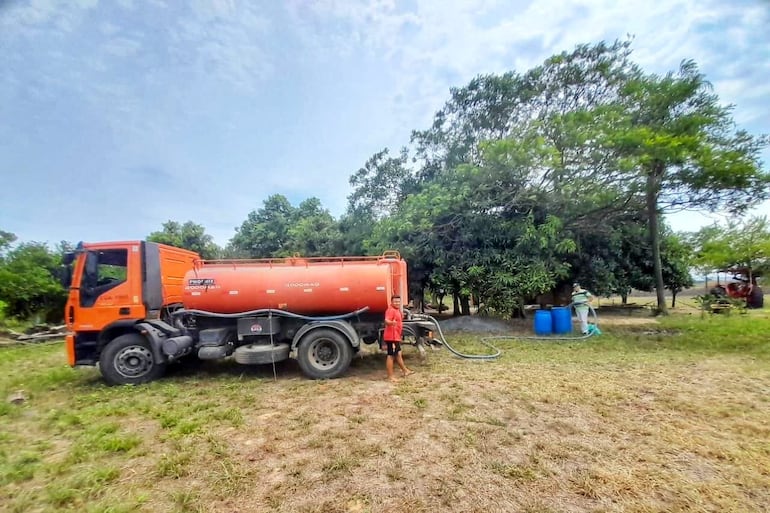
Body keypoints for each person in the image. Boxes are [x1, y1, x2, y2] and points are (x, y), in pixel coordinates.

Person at [382, 295, 413, 382]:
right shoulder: (390, 310)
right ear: (391, 302)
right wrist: (392, 323)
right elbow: (386, 320)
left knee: (398, 353)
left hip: (396, 336)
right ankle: (390, 377)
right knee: (390, 355)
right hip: (391, 337)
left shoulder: (397, 310)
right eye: (395, 301)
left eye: (398, 301)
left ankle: (405, 371)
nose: (397, 303)